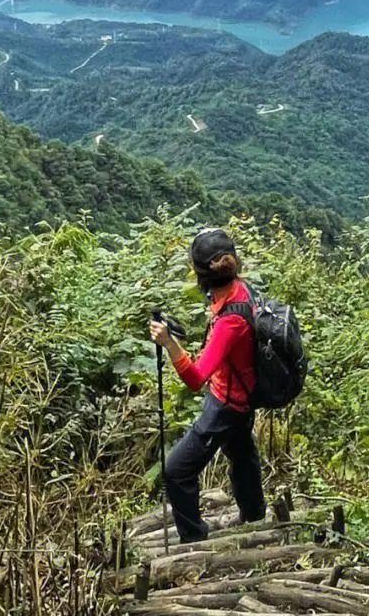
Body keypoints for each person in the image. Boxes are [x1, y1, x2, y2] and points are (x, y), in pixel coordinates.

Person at [149, 228, 266, 543]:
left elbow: (195, 378)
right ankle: (254, 516)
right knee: (241, 454)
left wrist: (169, 344)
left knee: (176, 471)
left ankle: (193, 539)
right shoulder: (240, 291)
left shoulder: (231, 320)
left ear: (201, 275)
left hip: (225, 405)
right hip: (243, 398)